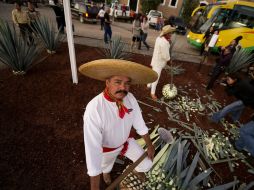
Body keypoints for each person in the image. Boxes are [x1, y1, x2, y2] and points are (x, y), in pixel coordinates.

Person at [79, 59, 157, 190]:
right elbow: (92, 150)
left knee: (147, 164)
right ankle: (106, 173)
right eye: (117, 82)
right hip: (107, 150)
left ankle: (133, 175)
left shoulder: (130, 98)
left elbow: (139, 123)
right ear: (107, 82)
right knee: (106, 166)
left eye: (127, 83)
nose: (123, 88)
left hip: (126, 142)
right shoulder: (95, 108)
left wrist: (149, 145)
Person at [147, 25, 176, 100]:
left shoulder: (159, 38)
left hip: (155, 59)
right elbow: (165, 56)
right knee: (156, 77)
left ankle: (149, 84)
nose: (171, 34)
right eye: (170, 33)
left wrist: (168, 42)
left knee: (153, 72)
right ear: (166, 34)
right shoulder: (165, 43)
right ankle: (152, 93)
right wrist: (169, 61)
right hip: (159, 63)